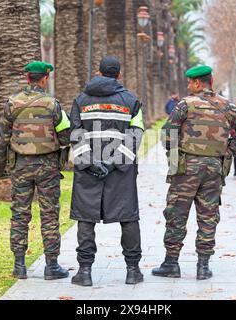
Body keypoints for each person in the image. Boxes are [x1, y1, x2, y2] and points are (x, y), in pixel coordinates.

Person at [152, 65, 236, 280]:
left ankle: (171, 263)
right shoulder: (229, 107)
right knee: (208, 216)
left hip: (186, 169)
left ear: (198, 83)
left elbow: (167, 133)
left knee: (176, 214)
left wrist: (175, 160)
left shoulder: (185, 105)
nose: (188, 86)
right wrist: (228, 151)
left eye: (190, 83)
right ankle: (203, 266)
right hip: (214, 170)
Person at [69, 56, 145, 286]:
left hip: (88, 170)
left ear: (99, 72)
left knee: (85, 217)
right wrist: (113, 162)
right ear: (118, 75)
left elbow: (74, 132)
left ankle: (84, 272)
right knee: (128, 217)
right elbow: (137, 133)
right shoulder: (131, 100)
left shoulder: (81, 100)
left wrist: (92, 161)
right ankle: (133, 271)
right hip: (120, 171)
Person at [0, 61, 71, 280]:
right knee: (49, 214)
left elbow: (2, 140)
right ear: (45, 79)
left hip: (20, 167)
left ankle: (19, 265)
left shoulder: (12, 104)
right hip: (48, 167)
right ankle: (52, 266)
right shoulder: (53, 104)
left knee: (19, 214)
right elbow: (66, 136)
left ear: (28, 79)